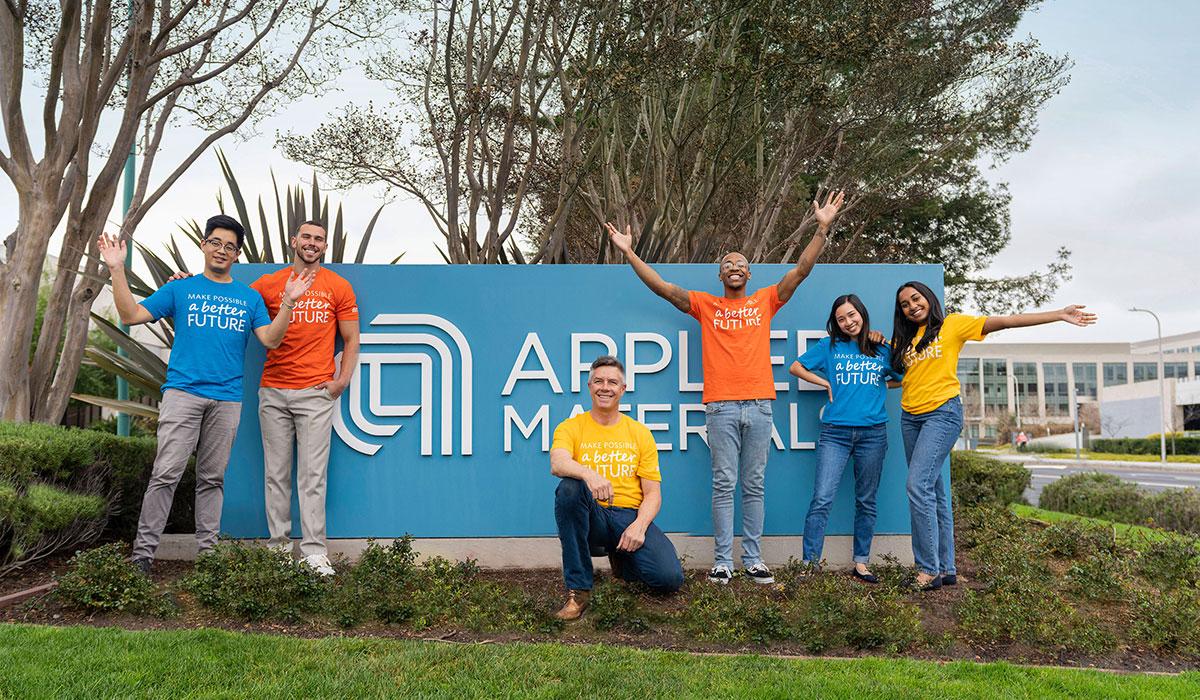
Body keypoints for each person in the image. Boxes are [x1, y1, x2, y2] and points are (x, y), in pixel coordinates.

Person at [606, 191, 845, 586]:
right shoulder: (705, 305)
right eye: (728, 264)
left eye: (741, 264)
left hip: (760, 405)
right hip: (720, 407)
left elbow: (800, 270)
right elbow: (664, 288)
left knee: (753, 485)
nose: (735, 267)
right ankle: (722, 561)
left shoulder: (765, 301)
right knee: (723, 484)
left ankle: (752, 558)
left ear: (748, 275)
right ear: (721, 276)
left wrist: (822, 228)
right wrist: (630, 253)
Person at [98, 215, 313, 574]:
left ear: (237, 254)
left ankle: (208, 558)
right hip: (183, 394)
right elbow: (130, 314)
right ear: (204, 245)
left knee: (212, 479)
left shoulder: (249, 298)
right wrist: (117, 270)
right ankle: (143, 556)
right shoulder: (180, 289)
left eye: (229, 246)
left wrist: (289, 303)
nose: (221, 250)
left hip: (227, 400)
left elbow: (271, 340)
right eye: (215, 242)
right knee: (166, 474)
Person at [890, 281, 1095, 590]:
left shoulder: (953, 325)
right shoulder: (904, 340)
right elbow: (902, 379)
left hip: (941, 414)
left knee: (917, 486)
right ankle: (946, 568)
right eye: (904, 304)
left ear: (928, 299)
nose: (911, 306)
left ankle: (926, 570)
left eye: (915, 298)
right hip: (910, 418)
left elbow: (1007, 321)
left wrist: (1058, 314)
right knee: (935, 491)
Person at [251, 220, 360, 576]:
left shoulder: (337, 286)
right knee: (276, 474)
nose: (312, 243)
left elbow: (351, 339)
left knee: (312, 476)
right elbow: (235, 304)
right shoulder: (268, 284)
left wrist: (341, 381)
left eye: (319, 239)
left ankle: (314, 553)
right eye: (307, 237)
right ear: (293, 240)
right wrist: (186, 281)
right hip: (273, 390)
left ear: (325, 247)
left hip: (315, 393)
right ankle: (279, 550)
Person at [550, 356, 684, 620]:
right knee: (569, 489)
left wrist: (640, 526)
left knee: (669, 578)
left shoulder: (639, 432)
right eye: (598, 381)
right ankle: (579, 590)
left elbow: (653, 494)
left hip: (628, 516)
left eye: (612, 382)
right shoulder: (571, 427)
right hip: (593, 517)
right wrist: (589, 475)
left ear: (622, 390)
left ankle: (622, 563)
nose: (605, 387)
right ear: (589, 386)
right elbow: (558, 462)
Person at [789, 294, 901, 583]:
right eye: (841, 318)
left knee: (866, 500)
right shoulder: (830, 346)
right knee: (821, 498)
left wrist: (881, 383)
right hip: (835, 433)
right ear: (835, 323)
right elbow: (796, 367)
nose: (848, 322)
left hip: (873, 434)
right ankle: (809, 564)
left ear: (861, 314)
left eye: (852, 315)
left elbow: (904, 375)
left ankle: (861, 563)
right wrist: (825, 382)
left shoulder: (879, 347)